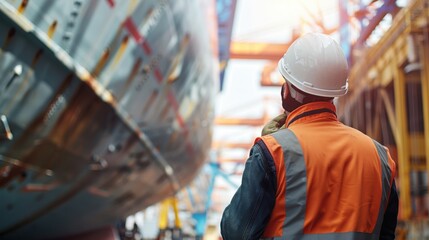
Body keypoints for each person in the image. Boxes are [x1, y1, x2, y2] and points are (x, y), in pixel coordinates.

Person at [220, 33, 398, 240]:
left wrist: (271, 151)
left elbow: (236, 232)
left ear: (289, 90)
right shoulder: (380, 157)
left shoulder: (273, 151)